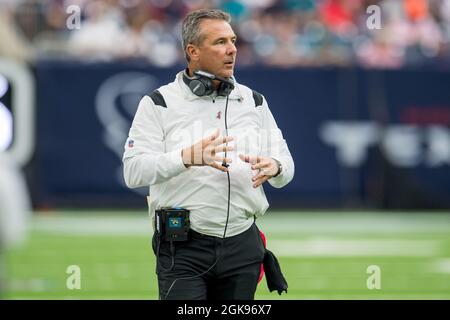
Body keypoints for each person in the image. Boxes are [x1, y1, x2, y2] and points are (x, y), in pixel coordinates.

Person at [123, 8, 294, 300]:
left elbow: (286, 166)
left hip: (243, 246)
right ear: (193, 51)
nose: (232, 50)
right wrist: (185, 157)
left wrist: (275, 167)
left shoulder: (253, 101)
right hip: (184, 247)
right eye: (220, 42)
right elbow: (133, 171)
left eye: (233, 40)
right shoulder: (159, 102)